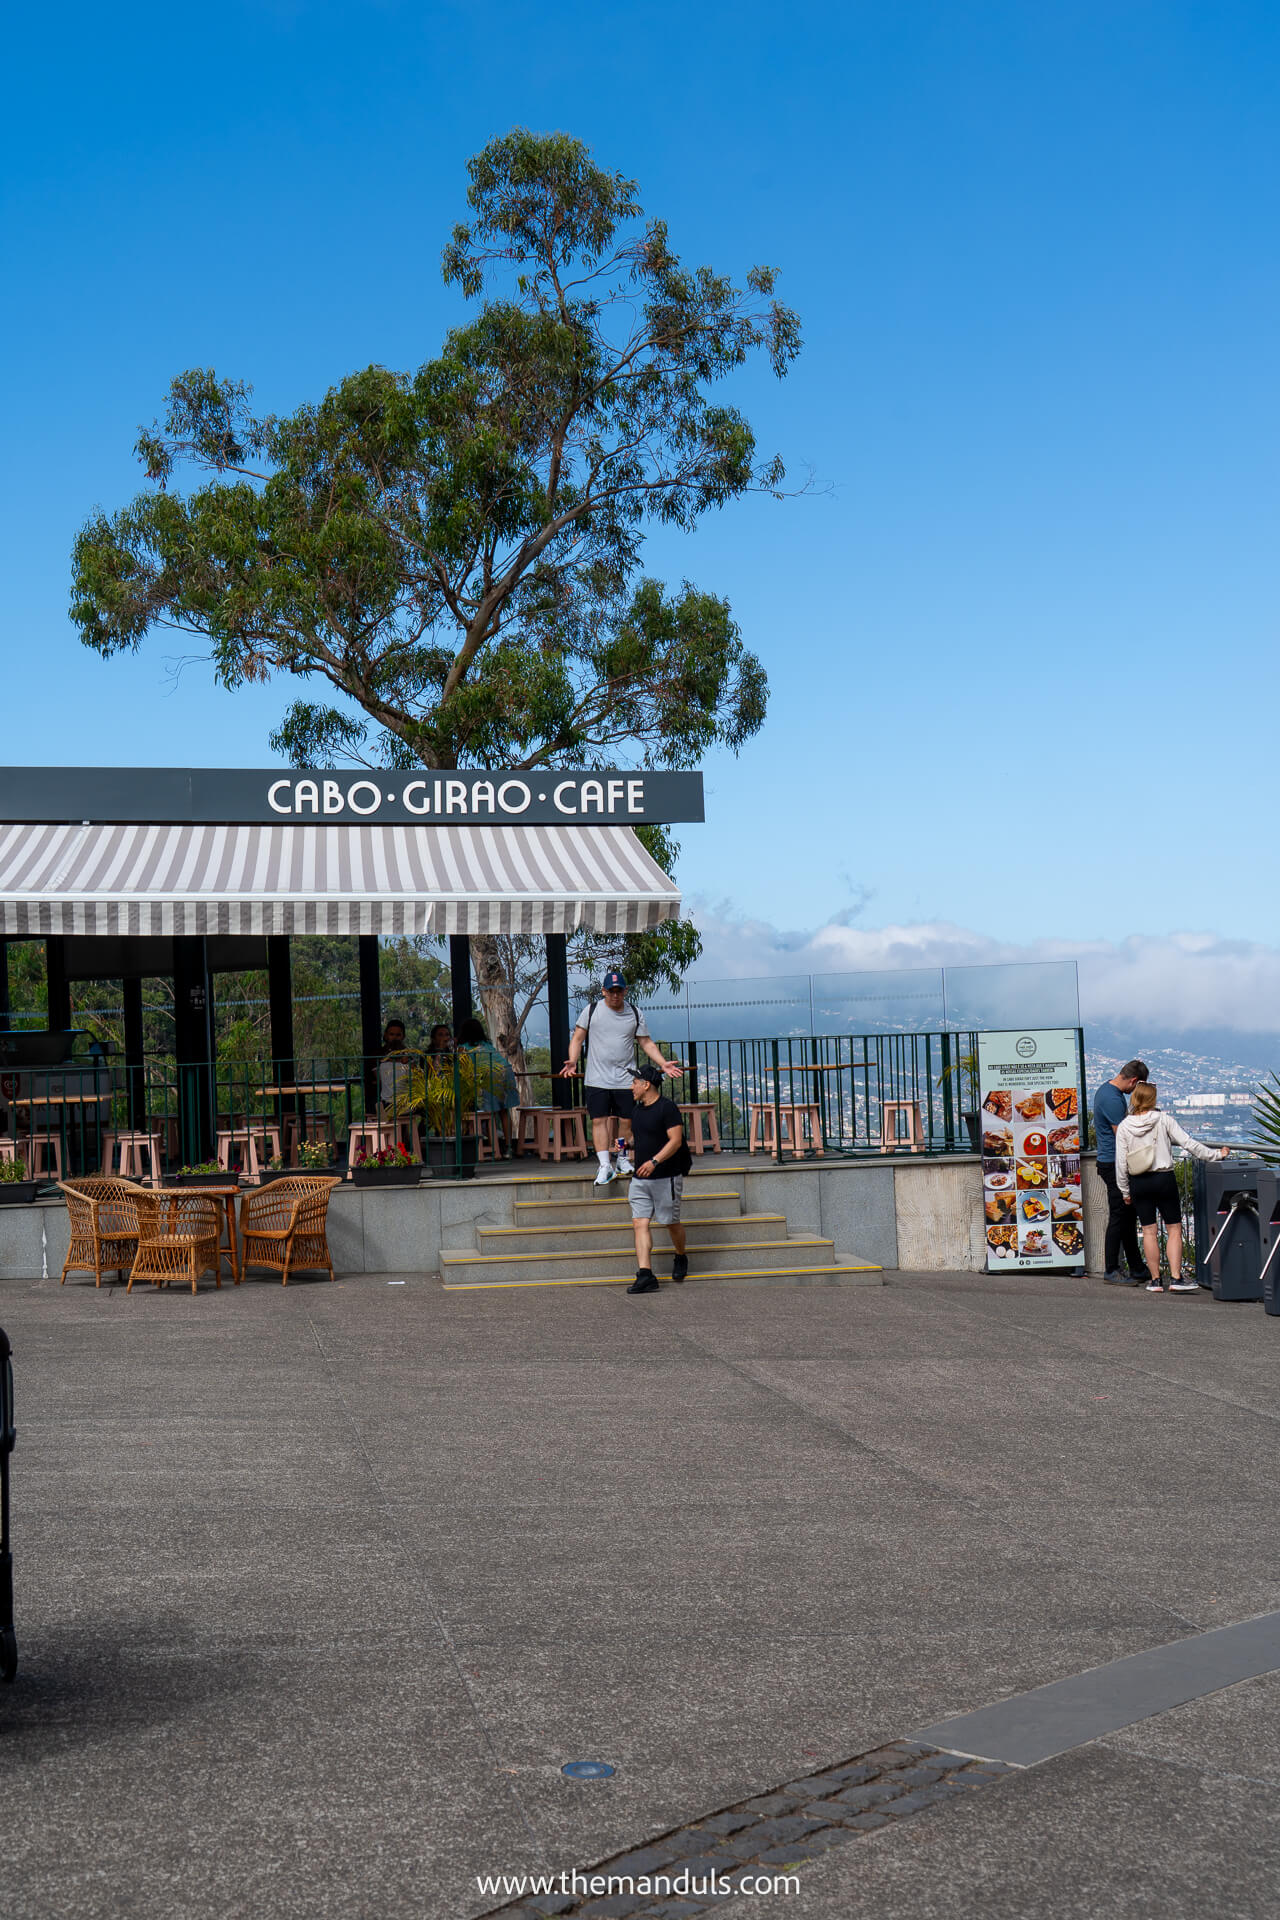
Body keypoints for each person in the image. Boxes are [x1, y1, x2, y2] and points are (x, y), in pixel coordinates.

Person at [559, 970, 682, 1187]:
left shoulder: (634, 1013)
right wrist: (572, 1060)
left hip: (626, 1078)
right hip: (597, 1078)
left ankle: (622, 1159)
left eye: (619, 991)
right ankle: (605, 1165)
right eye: (611, 991)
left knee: (627, 1120)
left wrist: (663, 1063)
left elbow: (646, 1042)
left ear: (625, 991)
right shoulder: (592, 1010)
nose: (616, 995)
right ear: (604, 991)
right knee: (599, 1120)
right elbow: (577, 1038)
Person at [1116, 1082, 1226, 1293]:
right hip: (1163, 1179)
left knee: (1149, 1231)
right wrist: (1216, 1154)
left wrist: (1125, 1191)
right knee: (1174, 1229)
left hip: (1139, 1181)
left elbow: (1121, 1163)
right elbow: (1189, 1144)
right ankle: (1176, 1278)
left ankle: (1156, 1280)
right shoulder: (1164, 1120)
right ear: (1152, 1099)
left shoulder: (1124, 1126)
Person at [624, 1064, 693, 1293]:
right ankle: (645, 1274)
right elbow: (641, 1138)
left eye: (635, 1082)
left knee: (670, 1222)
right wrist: (628, 1144)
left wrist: (654, 1161)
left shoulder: (667, 1108)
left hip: (665, 1176)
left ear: (646, 1085)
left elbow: (675, 1141)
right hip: (640, 1178)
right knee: (639, 1223)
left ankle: (680, 1255)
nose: (631, 1086)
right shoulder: (637, 1110)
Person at [1092, 1058, 1149, 1285]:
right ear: (1134, 1081)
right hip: (1113, 1163)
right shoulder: (1113, 1100)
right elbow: (1123, 1135)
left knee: (1126, 1216)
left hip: (1111, 1161)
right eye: (1138, 1087)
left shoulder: (1106, 1091)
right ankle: (1112, 1268)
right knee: (1119, 1216)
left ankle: (1136, 1267)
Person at [456, 1015, 518, 1154]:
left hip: (491, 1075)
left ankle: (494, 1149)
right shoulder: (487, 1045)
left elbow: (462, 1069)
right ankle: (508, 1147)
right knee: (504, 1111)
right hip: (507, 1071)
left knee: (490, 1112)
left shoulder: (463, 1048)